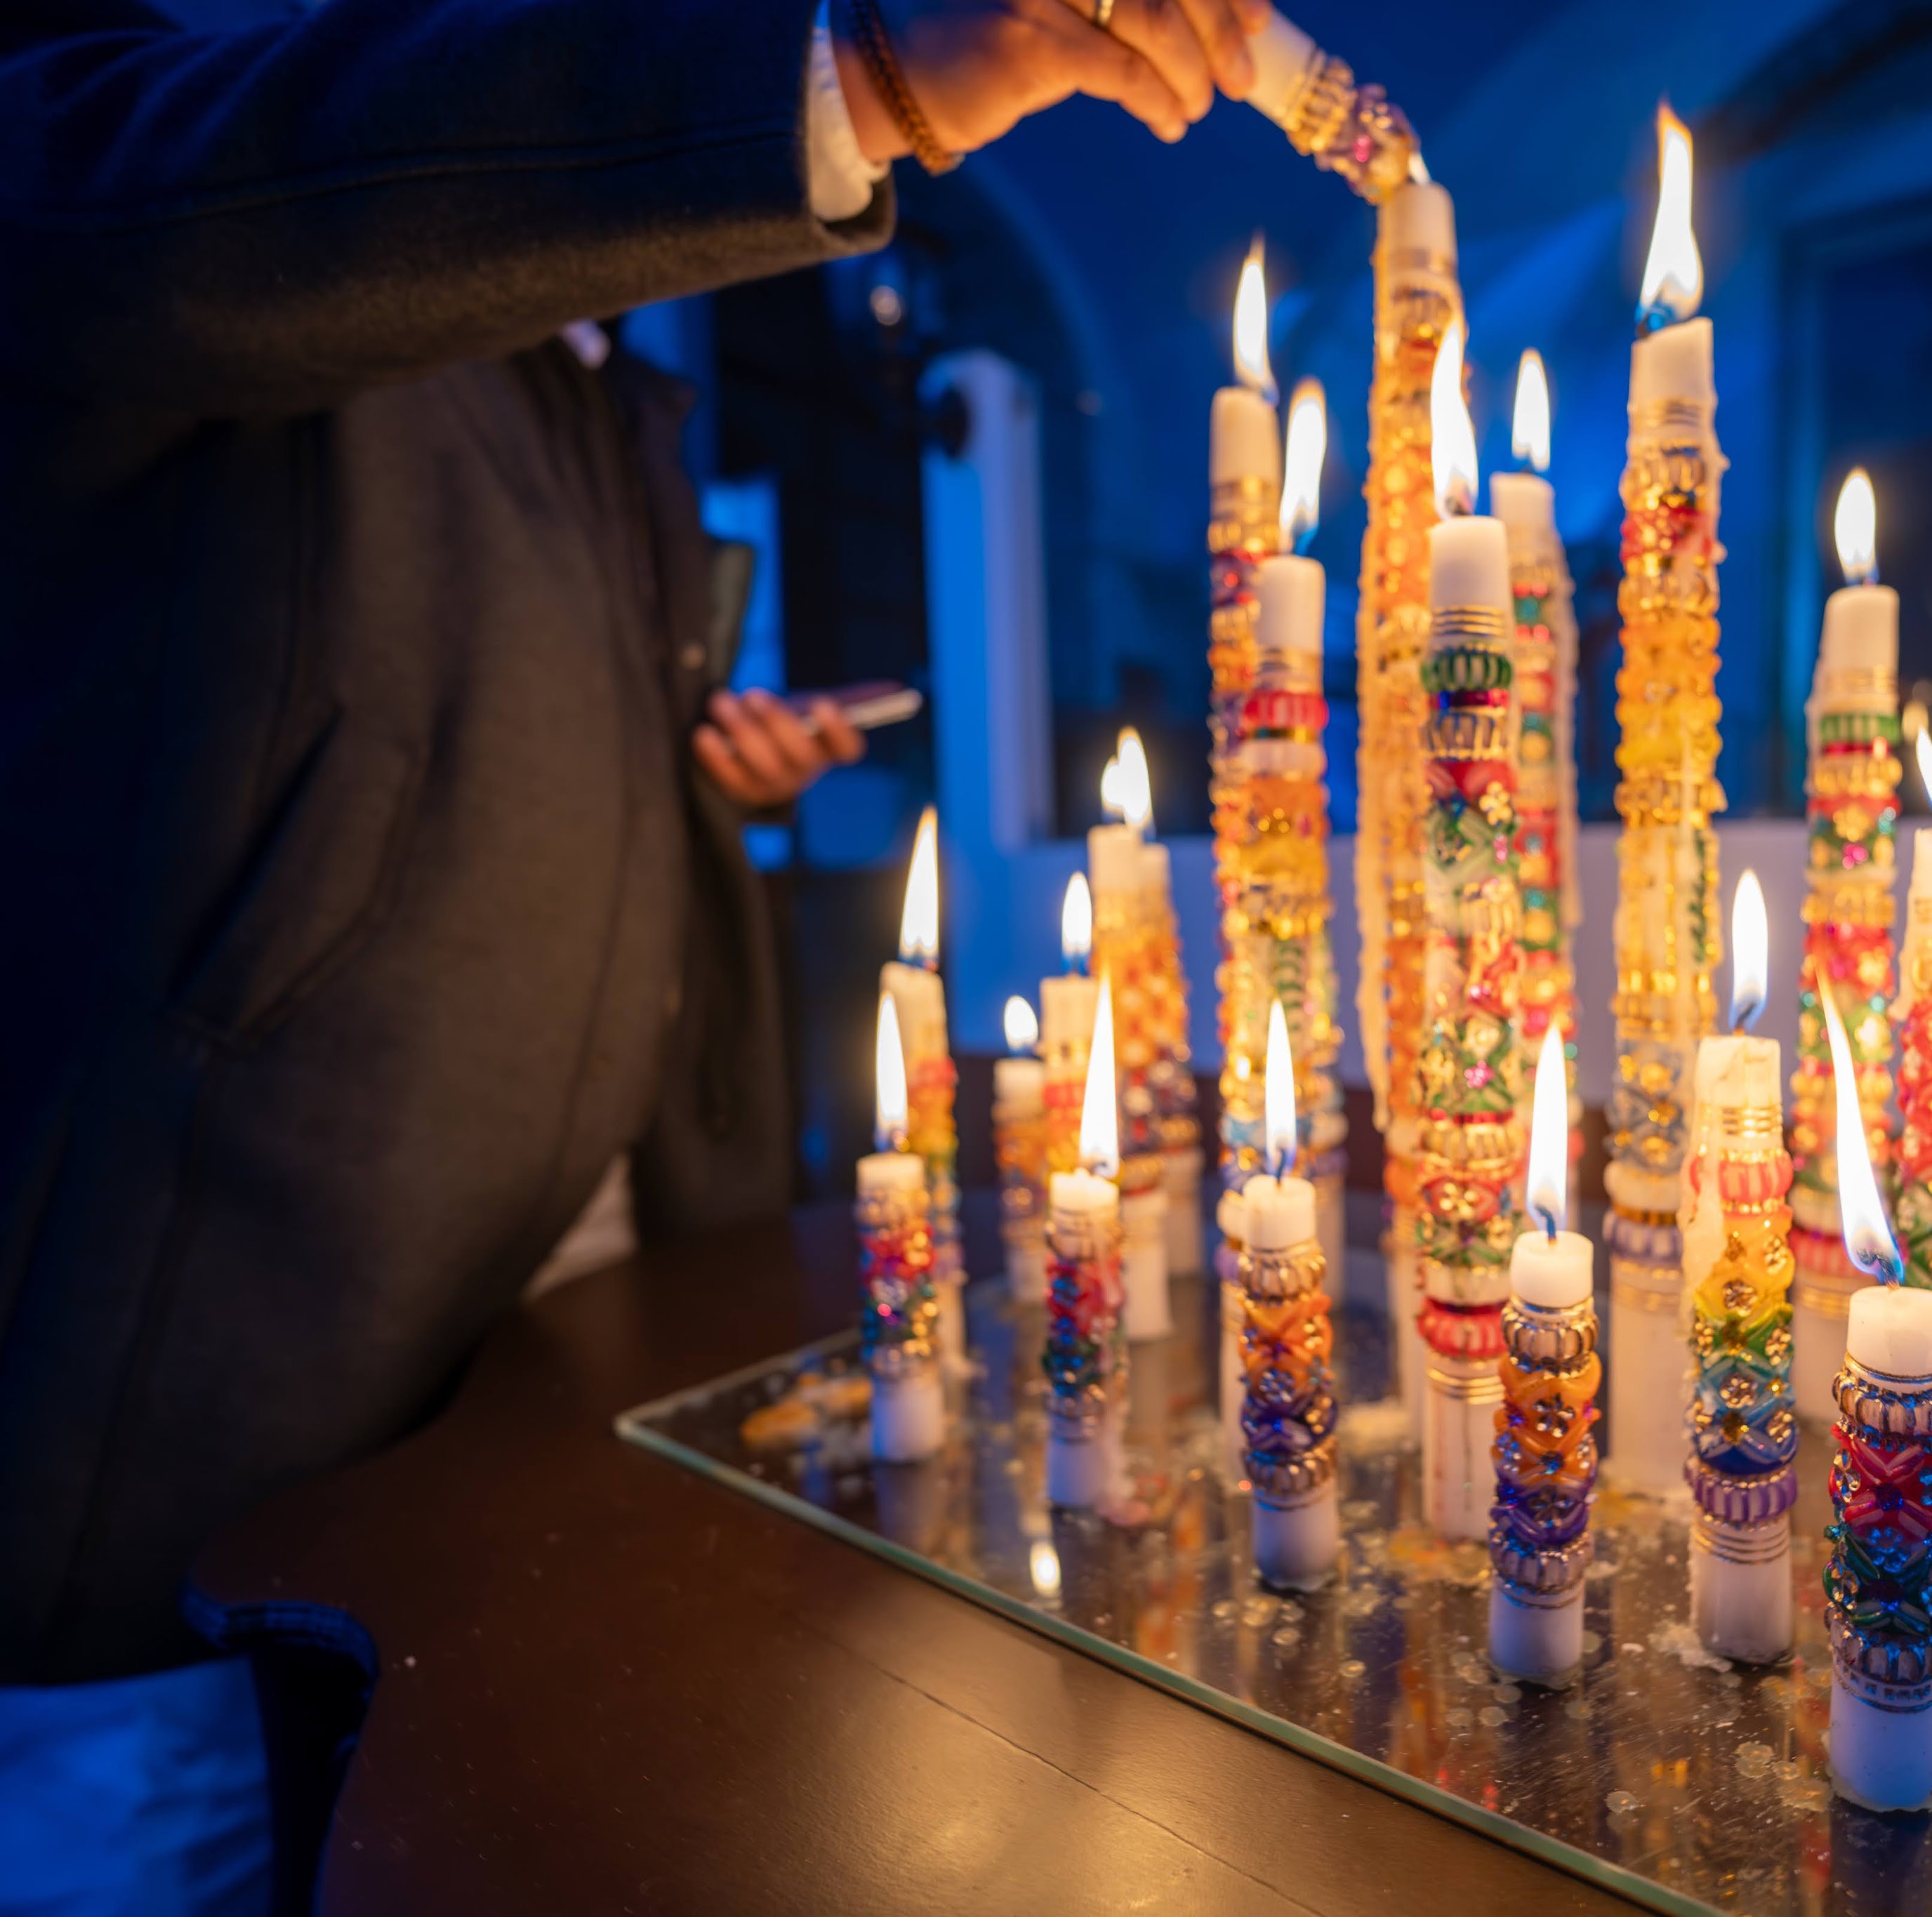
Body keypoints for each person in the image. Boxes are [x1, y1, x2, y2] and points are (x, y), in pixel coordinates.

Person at [0, 0, 1267, 1899]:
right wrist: (850, 74)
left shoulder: (599, 390)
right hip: (218, 1427)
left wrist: (703, 762)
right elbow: (183, 210)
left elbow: (458, 721)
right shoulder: (198, 151)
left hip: (546, 1383)